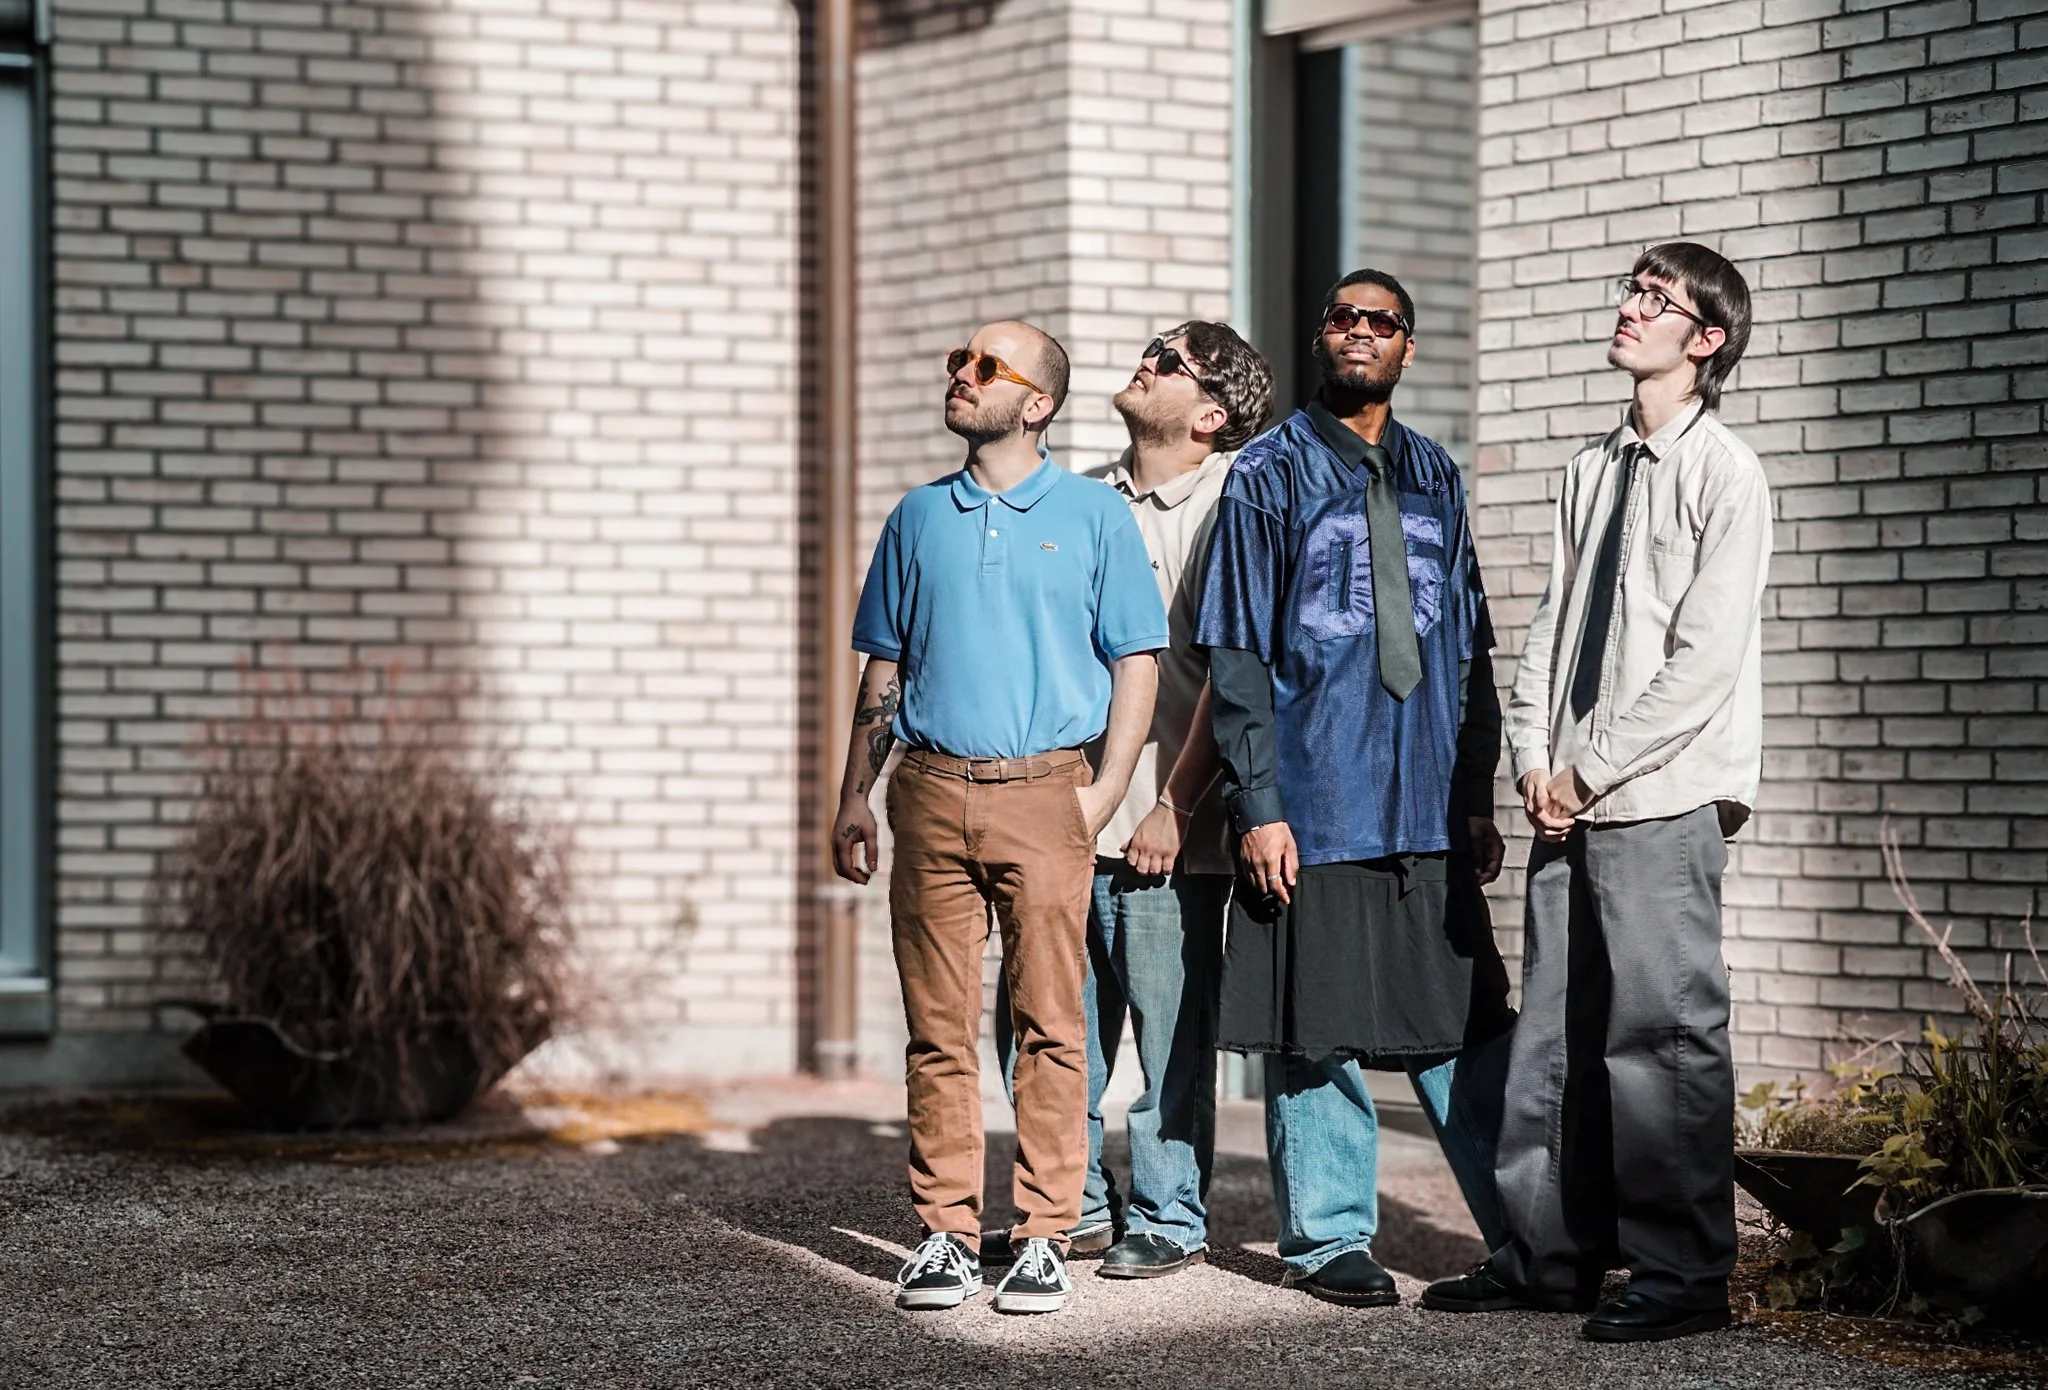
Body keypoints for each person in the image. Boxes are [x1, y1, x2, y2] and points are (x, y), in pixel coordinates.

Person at [1421, 241, 1768, 1343]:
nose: (1629, 309)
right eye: (1631, 290)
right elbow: (1548, 633)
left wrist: (1587, 764)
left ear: (1702, 342)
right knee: (1555, 1041)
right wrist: (1531, 755)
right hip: (1563, 797)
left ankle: (1680, 1279)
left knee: (1661, 1041)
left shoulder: (1726, 473)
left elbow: (1701, 663)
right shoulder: (1590, 466)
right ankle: (1546, 1257)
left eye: (1655, 301)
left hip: (1656, 799)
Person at [830, 320, 1167, 1316]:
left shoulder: (1094, 517)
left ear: (1035, 404)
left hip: (1045, 791)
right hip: (928, 790)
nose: (958, 376)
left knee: (1050, 1027)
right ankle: (939, 1232)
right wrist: (853, 793)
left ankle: (1042, 1234)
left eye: (984, 366)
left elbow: (1136, 661)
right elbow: (882, 666)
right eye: (955, 361)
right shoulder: (916, 517)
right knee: (935, 1032)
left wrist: (1103, 793)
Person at [1194, 270, 1515, 1309]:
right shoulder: (1265, 474)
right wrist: (1257, 800)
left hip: (1422, 795)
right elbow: (1235, 651)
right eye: (1342, 316)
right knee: (1315, 1025)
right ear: (1320, 336)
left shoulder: (1435, 473)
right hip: (1314, 795)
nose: (1359, 332)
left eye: (1380, 322)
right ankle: (1328, 1238)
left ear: (1405, 348)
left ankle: (1524, 1234)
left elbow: (1468, 646)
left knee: (1458, 1023)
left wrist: (1476, 793)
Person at [991, 323, 1275, 1279]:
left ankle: (1170, 1213)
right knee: (1042, 1021)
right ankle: (1074, 1207)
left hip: (1168, 824)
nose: (1144, 362)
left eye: (1170, 360)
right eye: (1150, 349)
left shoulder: (1237, 505)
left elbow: (1230, 676)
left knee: (1169, 1033)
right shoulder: (1079, 501)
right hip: (1059, 817)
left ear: (1211, 414)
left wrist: (1178, 808)